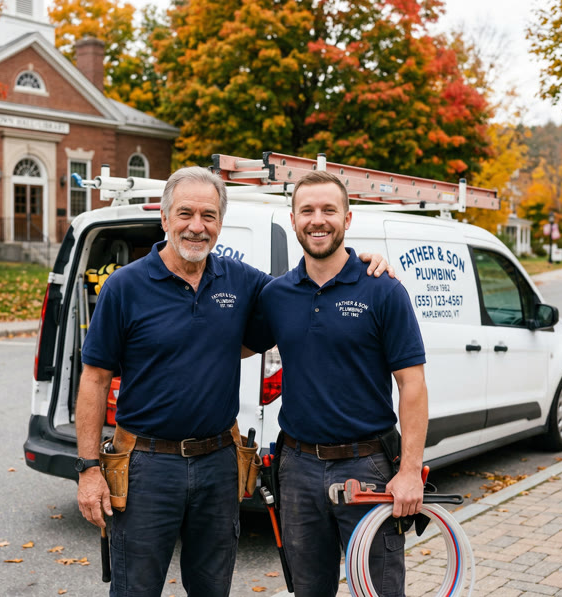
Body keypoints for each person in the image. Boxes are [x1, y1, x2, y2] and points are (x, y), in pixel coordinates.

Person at [75, 166, 393, 597]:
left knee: (213, 589)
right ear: (165, 219)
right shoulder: (124, 287)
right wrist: (90, 469)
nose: (196, 226)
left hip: (219, 465)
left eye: (208, 215)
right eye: (185, 213)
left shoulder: (243, 283)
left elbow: (308, 287)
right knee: (135, 589)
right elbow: (93, 380)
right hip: (146, 466)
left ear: (220, 224)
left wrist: (363, 261)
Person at [246, 171, 429, 597]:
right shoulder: (277, 295)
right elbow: (229, 344)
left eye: (329, 210)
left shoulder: (383, 289)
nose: (318, 219)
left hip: (367, 467)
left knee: (379, 590)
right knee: (309, 590)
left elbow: (413, 386)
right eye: (307, 210)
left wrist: (408, 473)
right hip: (296, 468)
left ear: (348, 218)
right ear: (293, 220)